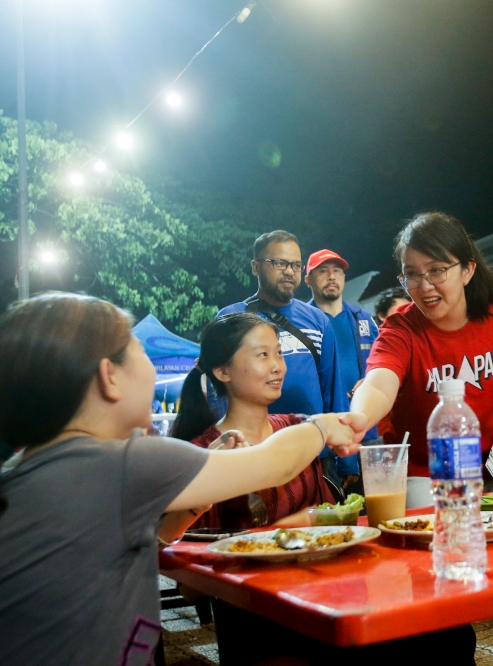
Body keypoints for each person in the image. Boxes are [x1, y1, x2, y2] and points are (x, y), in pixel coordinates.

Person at [0, 293, 360, 666]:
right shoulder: (126, 463)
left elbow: (131, 551)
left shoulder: (23, 471)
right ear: (110, 377)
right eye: (139, 350)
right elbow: (277, 463)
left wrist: (192, 501)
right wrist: (322, 425)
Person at [342, 211, 493, 660]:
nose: (425, 286)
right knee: (434, 576)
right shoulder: (401, 329)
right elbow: (380, 381)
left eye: (437, 270)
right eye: (412, 275)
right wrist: (359, 418)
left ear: (467, 268)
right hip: (427, 473)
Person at [172, 313, 337, 527]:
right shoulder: (205, 452)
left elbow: (330, 515)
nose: (277, 366)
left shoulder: (297, 429)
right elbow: (202, 546)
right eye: (263, 355)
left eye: (279, 353)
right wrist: (295, 524)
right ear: (223, 371)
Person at [217, 230, 346, 417]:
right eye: (279, 263)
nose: (289, 271)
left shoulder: (318, 320)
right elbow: (217, 392)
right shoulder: (231, 319)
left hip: (311, 440)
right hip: (252, 443)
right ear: (255, 267)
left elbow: (333, 391)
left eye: (295, 265)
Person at [304, 248, 380, 490]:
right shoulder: (301, 323)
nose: (332, 277)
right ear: (308, 280)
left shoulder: (364, 320)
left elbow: (383, 365)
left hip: (366, 433)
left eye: (337, 271)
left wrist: (368, 380)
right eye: (323, 271)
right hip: (324, 437)